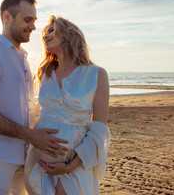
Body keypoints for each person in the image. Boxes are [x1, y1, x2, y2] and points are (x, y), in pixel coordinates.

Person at [0, 0, 69, 195]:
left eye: (34, 21)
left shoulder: (23, 58)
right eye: (27, 20)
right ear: (7, 17)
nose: (33, 26)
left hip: (25, 157)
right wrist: (31, 135)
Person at [24, 15, 111, 195]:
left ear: (69, 34)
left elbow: (99, 128)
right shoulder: (45, 74)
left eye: (52, 31)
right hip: (39, 163)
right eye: (44, 34)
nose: (46, 36)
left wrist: (70, 166)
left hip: (76, 163)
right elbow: (34, 113)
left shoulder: (97, 74)